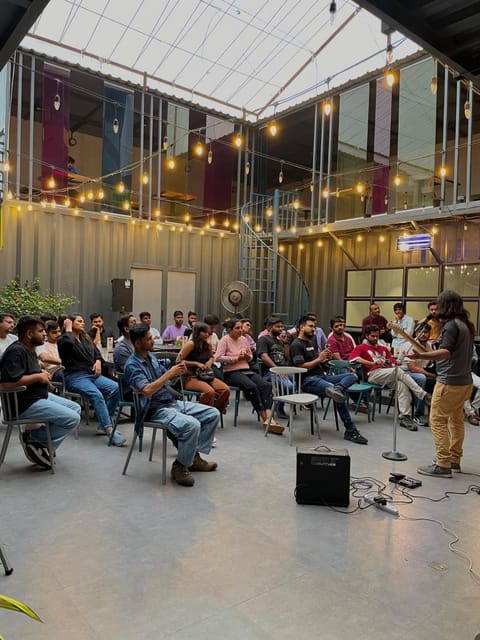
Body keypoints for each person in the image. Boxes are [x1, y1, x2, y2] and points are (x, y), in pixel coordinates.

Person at [124, 323, 219, 487]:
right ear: (138, 343)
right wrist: (170, 374)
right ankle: (180, 466)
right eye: (148, 339)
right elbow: (147, 390)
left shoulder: (150, 357)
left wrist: (176, 370)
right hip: (153, 410)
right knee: (192, 425)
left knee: (213, 414)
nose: (153, 341)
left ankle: (192, 457)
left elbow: (165, 376)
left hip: (170, 401)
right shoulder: (132, 365)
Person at [0, 316, 80, 469]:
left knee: (75, 408)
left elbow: (30, 372)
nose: (44, 334)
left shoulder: (29, 349)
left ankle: (41, 447)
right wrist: (38, 376)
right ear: (29, 334)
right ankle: (36, 441)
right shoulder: (16, 351)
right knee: (73, 419)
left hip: (36, 396)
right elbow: (7, 383)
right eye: (41, 331)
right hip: (22, 404)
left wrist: (44, 380)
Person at [410, 291, 474, 477]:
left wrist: (420, 355)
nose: (436, 308)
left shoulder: (451, 326)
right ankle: (454, 460)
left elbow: (445, 352)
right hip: (464, 382)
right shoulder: (465, 325)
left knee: (437, 420)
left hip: (449, 382)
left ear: (446, 306)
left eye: (439, 304)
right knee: (455, 420)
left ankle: (442, 464)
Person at [290, 316, 368, 445]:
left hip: (322, 377)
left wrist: (325, 360)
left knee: (352, 376)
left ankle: (337, 389)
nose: (313, 329)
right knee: (338, 395)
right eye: (310, 326)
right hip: (308, 381)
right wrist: (319, 359)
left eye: (314, 327)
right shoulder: (296, 345)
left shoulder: (310, 343)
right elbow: (300, 367)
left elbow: (317, 363)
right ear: (302, 327)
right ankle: (350, 430)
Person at [58, 315, 124, 446]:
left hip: (91, 375)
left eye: (83, 321)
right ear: (70, 323)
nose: (83, 323)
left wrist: (98, 361)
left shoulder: (85, 338)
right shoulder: (63, 339)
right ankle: (109, 430)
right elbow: (69, 344)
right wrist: (68, 329)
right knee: (96, 395)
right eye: (79, 321)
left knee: (117, 388)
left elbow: (97, 353)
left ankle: (103, 424)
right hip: (75, 376)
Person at [349, 325, 431, 431]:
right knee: (399, 372)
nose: (375, 338)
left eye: (377, 336)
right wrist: (372, 362)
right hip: (373, 374)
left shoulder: (383, 349)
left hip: (387, 374)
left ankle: (405, 417)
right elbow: (353, 359)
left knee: (402, 384)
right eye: (372, 336)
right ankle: (423, 395)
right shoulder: (361, 347)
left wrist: (391, 363)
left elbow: (393, 364)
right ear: (366, 336)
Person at [215, 318, 282, 433]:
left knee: (266, 385)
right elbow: (218, 357)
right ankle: (265, 419)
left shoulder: (243, 339)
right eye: (237, 328)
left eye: (241, 327)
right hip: (231, 372)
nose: (240, 330)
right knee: (251, 387)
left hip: (246, 369)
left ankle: (269, 416)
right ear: (229, 330)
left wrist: (247, 356)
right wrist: (236, 358)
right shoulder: (224, 340)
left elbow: (251, 356)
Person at [177, 322, 230, 414]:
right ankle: (201, 414)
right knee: (209, 392)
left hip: (205, 375)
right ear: (198, 333)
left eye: (207, 332)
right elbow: (178, 361)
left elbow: (211, 357)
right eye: (204, 332)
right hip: (190, 377)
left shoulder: (207, 344)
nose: (207, 334)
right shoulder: (190, 344)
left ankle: (214, 412)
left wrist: (209, 362)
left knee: (225, 390)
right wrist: (196, 364)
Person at [256, 316, 292, 420]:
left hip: (282, 370)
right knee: (289, 386)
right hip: (270, 372)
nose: (281, 329)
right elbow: (264, 356)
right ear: (269, 328)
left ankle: (277, 404)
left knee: (298, 381)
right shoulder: (264, 339)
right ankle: (279, 407)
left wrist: (285, 343)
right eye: (278, 326)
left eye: (281, 326)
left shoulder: (279, 341)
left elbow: (287, 357)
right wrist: (277, 370)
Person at [403, 323, 436, 427]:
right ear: (416, 333)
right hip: (405, 373)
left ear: (430, 333)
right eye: (420, 332)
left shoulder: (430, 346)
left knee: (440, 381)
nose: (423, 334)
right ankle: (418, 414)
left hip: (422, 372)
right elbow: (412, 367)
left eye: (426, 332)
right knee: (421, 378)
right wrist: (429, 374)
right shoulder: (409, 344)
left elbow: (431, 362)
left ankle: (436, 414)